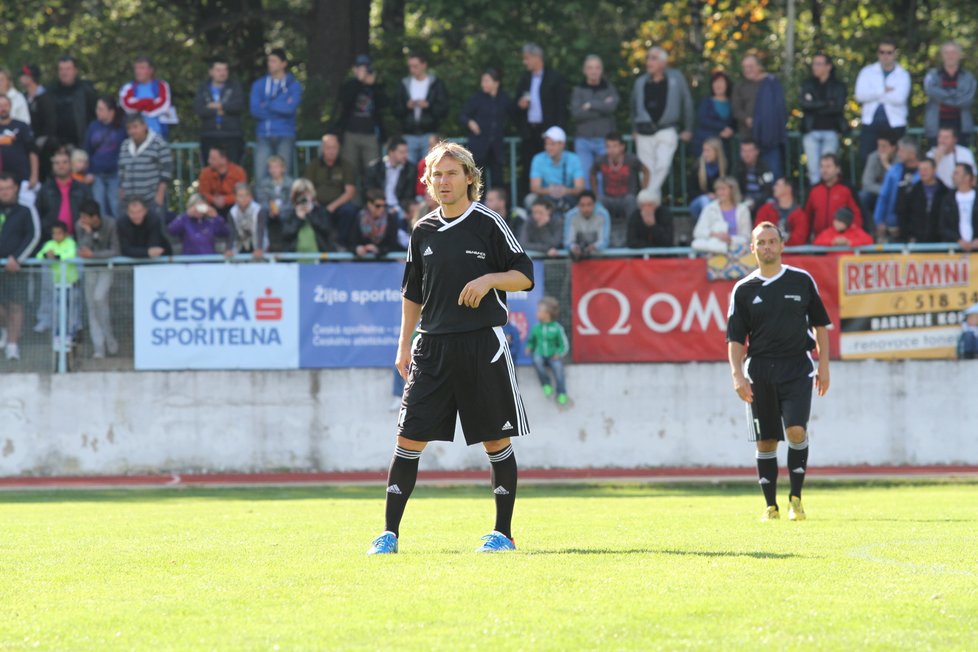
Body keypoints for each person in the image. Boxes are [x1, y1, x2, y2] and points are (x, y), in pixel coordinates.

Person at [366, 141, 533, 555]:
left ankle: (503, 534)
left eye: (451, 173)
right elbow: (412, 293)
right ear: (428, 181)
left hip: (482, 346)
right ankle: (388, 535)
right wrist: (403, 345)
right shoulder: (421, 230)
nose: (443, 181)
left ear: (469, 178)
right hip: (432, 349)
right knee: (407, 439)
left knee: (496, 442)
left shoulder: (489, 223)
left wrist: (490, 279)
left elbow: (524, 276)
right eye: (436, 174)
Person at [727, 221, 831, 522]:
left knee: (796, 430)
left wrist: (823, 366)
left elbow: (820, 325)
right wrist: (737, 375)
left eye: (772, 241)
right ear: (752, 248)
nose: (767, 247)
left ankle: (795, 499)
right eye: (761, 242)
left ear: (782, 245)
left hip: (798, 365)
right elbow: (735, 339)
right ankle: (770, 506)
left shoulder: (801, 280)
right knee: (767, 441)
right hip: (760, 369)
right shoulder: (743, 289)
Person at [630, 47, 694, 203]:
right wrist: (634, 129)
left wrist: (688, 128)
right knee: (645, 170)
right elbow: (632, 106)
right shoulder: (640, 82)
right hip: (644, 130)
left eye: (654, 58)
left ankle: (646, 198)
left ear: (663, 62)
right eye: (648, 58)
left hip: (667, 128)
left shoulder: (676, 78)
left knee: (663, 165)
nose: (649, 61)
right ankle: (651, 204)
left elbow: (687, 102)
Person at [513, 43, 567, 197]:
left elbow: (561, 107)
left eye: (527, 58)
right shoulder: (525, 79)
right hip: (530, 132)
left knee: (551, 165)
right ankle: (529, 202)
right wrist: (520, 104)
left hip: (549, 132)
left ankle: (554, 200)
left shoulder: (554, 77)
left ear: (537, 58)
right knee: (529, 167)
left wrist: (558, 131)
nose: (525, 62)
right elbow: (515, 105)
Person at [0, 172, 40, 361]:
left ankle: (13, 345)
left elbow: (34, 236)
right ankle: (5, 331)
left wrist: (17, 259)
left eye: (8, 188)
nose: (5, 192)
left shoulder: (26, 210)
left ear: (15, 188)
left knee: (16, 306)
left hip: (17, 269)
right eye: (1, 189)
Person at [854, 38, 911, 167]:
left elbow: (899, 98)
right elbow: (860, 95)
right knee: (867, 159)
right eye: (882, 52)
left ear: (895, 53)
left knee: (897, 160)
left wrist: (874, 93)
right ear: (878, 53)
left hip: (895, 124)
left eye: (889, 52)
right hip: (870, 124)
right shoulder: (867, 72)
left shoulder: (903, 74)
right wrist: (884, 90)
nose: (885, 56)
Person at [331, 55, 387, 182]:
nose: (360, 71)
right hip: (351, 134)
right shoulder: (349, 85)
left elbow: (384, 104)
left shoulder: (376, 86)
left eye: (363, 68)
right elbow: (345, 101)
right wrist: (359, 83)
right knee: (349, 171)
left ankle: (371, 200)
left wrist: (373, 86)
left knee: (372, 170)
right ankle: (352, 201)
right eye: (357, 68)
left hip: (370, 135)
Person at [249, 48, 302, 183]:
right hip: (264, 135)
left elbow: (290, 109)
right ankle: (263, 204)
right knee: (261, 175)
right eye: (269, 61)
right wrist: (281, 105)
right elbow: (255, 110)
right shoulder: (259, 85)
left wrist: (266, 104)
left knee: (284, 175)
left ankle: (284, 204)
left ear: (283, 64)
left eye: (274, 61)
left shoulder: (294, 86)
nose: (270, 64)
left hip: (285, 135)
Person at [75, 199, 119, 358]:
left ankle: (109, 338)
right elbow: (81, 249)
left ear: (95, 217)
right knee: (92, 307)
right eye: (81, 217)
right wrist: (87, 233)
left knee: (99, 298)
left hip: (106, 267)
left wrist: (94, 255)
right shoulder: (80, 225)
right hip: (89, 270)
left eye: (86, 217)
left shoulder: (110, 224)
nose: (82, 220)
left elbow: (115, 250)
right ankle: (98, 347)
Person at [734, 52, 787, 179]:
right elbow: (736, 109)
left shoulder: (771, 83)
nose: (747, 70)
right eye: (745, 67)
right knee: (750, 177)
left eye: (751, 66)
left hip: (770, 137)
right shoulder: (740, 86)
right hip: (749, 138)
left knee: (772, 174)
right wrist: (746, 119)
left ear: (759, 67)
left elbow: (780, 108)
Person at [570, 55, 619, 189]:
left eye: (597, 67)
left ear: (601, 70)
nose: (594, 71)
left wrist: (590, 105)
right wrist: (602, 106)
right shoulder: (578, 90)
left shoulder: (609, 88)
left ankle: (601, 208)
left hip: (604, 141)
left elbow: (612, 107)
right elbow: (577, 114)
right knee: (586, 176)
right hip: (583, 140)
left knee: (604, 177)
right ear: (584, 70)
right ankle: (588, 207)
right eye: (590, 68)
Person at [590, 131, 647, 246]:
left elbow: (646, 171)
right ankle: (600, 240)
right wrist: (595, 193)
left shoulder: (631, 159)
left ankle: (632, 238)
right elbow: (592, 173)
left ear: (622, 147)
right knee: (599, 202)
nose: (611, 150)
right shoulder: (601, 160)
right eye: (608, 146)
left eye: (615, 146)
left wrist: (643, 192)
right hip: (609, 198)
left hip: (626, 197)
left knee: (631, 201)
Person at [303, 134, 359, 249]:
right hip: (317, 204)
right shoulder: (313, 165)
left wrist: (332, 206)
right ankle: (320, 246)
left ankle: (341, 243)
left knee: (350, 211)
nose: (331, 151)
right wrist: (315, 203)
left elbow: (350, 192)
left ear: (339, 149)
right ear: (323, 149)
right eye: (328, 148)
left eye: (334, 148)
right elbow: (307, 188)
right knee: (309, 212)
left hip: (339, 204)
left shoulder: (346, 165)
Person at [799, 53, 848, 186]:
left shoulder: (838, 86)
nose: (815, 67)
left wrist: (815, 104)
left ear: (828, 67)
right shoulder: (808, 84)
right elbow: (804, 105)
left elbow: (838, 107)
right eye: (814, 64)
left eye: (819, 64)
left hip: (831, 132)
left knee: (829, 170)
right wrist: (826, 103)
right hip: (811, 131)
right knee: (814, 171)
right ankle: (816, 200)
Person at [393, 52, 449, 164]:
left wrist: (428, 106)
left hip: (430, 134)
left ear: (424, 65)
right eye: (410, 66)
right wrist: (406, 107)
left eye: (415, 66)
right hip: (409, 133)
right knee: (408, 169)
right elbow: (395, 109)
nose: (412, 69)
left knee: (430, 167)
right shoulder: (404, 83)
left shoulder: (436, 83)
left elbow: (444, 109)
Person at [459, 68, 510, 188]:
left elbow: (513, 114)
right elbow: (462, 115)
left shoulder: (503, 98)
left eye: (487, 81)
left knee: (498, 179)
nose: (483, 84)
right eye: (483, 81)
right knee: (479, 181)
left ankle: (498, 206)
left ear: (496, 83)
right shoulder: (477, 98)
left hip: (496, 147)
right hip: (479, 146)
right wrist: (470, 123)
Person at [35, 221, 80, 348]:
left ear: (65, 234)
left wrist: (56, 256)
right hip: (57, 284)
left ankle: (70, 334)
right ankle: (58, 334)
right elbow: (39, 256)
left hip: (70, 284)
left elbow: (70, 254)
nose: (56, 236)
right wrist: (46, 255)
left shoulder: (70, 243)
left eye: (59, 233)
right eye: (54, 233)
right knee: (57, 310)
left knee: (70, 310)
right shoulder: (49, 244)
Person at [193, 56, 245, 165]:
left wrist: (216, 106)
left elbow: (238, 106)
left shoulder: (235, 86)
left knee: (233, 171)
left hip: (232, 135)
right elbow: (199, 109)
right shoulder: (203, 88)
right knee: (210, 171)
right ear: (211, 72)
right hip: (209, 135)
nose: (223, 73)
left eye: (225, 70)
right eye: (218, 70)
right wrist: (221, 110)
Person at [117, 114, 172, 219]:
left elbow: (166, 171)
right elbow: (121, 170)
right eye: (129, 128)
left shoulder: (159, 143)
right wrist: (121, 192)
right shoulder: (125, 145)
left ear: (144, 126)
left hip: (151, 199)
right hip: (128, 200)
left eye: (135, 127)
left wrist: (159, 196)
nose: (132, 131)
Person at [83, 96, 127, 220]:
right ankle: (103, 237)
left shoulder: (122, 127)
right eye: (97, 109)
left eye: (101, 109)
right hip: (97, 174)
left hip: (115, 174)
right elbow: (88, 150)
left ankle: (119, 237)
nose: (97, 112)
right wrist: (89, 171)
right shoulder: (93, 126)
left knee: (116, 206)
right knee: (99, 207)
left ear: (111, 111)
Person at [923, 41, 976, 142]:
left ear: (959, 55)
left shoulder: (968, 77)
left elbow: (967, 100)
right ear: (942, 55)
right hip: (936, 126)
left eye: (953, 52)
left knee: (961, 157)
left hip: (961, 127)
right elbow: (931, 92)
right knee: (936, 157)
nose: (950, 56)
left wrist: (943, 96)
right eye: (946, 52)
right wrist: (956, 95)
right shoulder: (932, 75)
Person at [35, 150, 93, 240]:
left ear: (71, 164)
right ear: (52, 166)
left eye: (64, 162)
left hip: (78, 240)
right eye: (57, 163)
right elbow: (37, 215)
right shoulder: (45, 189)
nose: (61, 166)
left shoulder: (83, 189)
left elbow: (91, 212)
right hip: (51, 241)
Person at [803, 153, 863, 239]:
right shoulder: (813, 190)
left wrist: (852, 237)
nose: (824, 170)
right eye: (822, 166)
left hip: (842, 242)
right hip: (819, 242)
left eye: (828, 166)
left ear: (837, 169)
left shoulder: (847, 189)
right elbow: (806, 218)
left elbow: (857, 216)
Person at [527, 126, 584, 213]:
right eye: (546, 144)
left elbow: (580, 187)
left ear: (562, 144)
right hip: (545, 197)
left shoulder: (574, 159)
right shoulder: (538, 159)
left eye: (552, 144)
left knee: (584, 201)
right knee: (530, 199)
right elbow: (534, 187)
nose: (548, 147)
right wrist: (550, 190)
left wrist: (566, 191)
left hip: (568, 197)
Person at [874, 136, 920, 242]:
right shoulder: (894, 171)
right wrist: (879, 221)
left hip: (917, 226)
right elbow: (883, 197)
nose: (898, 153)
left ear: (912, 153)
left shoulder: (924, 172)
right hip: (894, 225)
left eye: (902, 150)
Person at [526, 297, 570, 405]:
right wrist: (529, 347)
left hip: (553, 356)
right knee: (536, 360)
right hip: (540, 354)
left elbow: (564, 345)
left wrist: (558, 353)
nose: (537, 313)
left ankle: (562, 392)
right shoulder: (536, 328)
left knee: (558, 368)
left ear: (547, 313)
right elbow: (531, 341)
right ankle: (546, 384)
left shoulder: (557, 328)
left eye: (539, 310)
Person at [48, 56, 97, 150]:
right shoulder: (51, 91)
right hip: (58, 147)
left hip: (82, 144)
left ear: (75, 71)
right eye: (61, 69)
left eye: (68, 69)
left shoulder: (86, 90)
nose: (64, 73)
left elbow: (94, 116)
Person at [691, 176, 752, 253]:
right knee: (696, 244)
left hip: (736, 248)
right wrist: (714, 234)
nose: (720, 192)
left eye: (723, 189)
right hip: (714, 247)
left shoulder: (743, 210)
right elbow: (697, 232)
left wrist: (730, 239)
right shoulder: (710, 208)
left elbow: (746, 237)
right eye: (718, 189)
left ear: (732, 190)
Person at [118, 56, 175, 138]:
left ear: (151, 70)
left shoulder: (161, 86)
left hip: (158, 135)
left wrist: (138, 104)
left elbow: (163, 105)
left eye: (142, 68)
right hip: (134, 138)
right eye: (136, 68)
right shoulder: (128, 88)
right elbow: (126, 105)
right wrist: (150, 102)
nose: (138, 71)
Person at [17, 64, 56, 180]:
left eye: (23, 76)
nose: (21, 78)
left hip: (44, 148)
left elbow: (51, 122)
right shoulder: (23, 97)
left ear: (31, 77)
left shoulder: (46, 97)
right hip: (28, 146)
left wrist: (42, 140)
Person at [897, 158, 948, 244]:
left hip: (939, 241)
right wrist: (908, 236)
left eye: (926, 169)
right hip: (915, 241)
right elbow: (903, 215)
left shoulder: (945, 192)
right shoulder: (912, 191)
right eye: (920, 170)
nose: (923, 173)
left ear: (934, 170)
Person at [281, 178, 337, 253]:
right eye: (299, 194)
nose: (302, 197)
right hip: (294, 260)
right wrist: (298, 218)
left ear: (312, 194)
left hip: (320, 259)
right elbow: (286, 235)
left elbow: (327, 231)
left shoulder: (320, 211)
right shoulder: (289, 212)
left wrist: (310, 214)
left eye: (306, 193)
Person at [365, 136, 415, 217]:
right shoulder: (375, 167)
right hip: (379, 205)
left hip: (400, 207)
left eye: (406, 152)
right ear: (391, 152)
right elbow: (370, 191)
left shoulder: (410, 169)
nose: (405, 155)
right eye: (402, 152)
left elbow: (409, 195)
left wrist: (399, 208)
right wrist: (382, 206)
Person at [858, 132, 896, 234]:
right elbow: (866, 183)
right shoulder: (873, 157)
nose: (880, 149)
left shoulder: (899, 158)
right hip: (878, 193)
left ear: (893, 148)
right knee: (863, 196)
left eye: (884, 146)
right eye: (879, 145)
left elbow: (898, 182)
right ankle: (867, 231)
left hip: (895, 195)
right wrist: (885, 191)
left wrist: (886, 164)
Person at [692, 70, 735, 158]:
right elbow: (703, 120)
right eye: (715, 82)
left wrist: (731, 131)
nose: (718, 85)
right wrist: (723, 128)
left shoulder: (732, 103)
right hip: (704, 144)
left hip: (723, 148)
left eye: (721, 82)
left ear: (727, 84)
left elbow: (734, 123)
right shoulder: (706, 101)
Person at [754, 178, 809, 246]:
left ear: (788, 188)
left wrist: (772, 239)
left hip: (792, 255)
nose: (774, 188)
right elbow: (759, 230)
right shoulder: (766, 210)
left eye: (777, 185)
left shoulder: (800, 214)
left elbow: (799, 238)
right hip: (770, 255)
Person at [254, 155, 293, 252]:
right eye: (271, 167)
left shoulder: (291, 183)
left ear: (283, 169)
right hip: (269, 212)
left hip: (286, 211)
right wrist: (271, 209)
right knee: (261, 214)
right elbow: (261, 200)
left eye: (276, 167)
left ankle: (288, 248)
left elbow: (292, 202)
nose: (273, 170)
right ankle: (263, 247)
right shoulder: (263, 183)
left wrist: (279, 210)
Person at [0, 95, 39, 189]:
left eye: (5, 105)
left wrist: (34, 175)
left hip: (22, 176)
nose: (3, 108)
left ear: (10, 106)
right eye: (0, 105)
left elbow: (33, 152)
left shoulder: (22, 126)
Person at [197, 146, 247, 216]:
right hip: (211, 205)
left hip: (234, 205)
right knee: (199, 204)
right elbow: (202, 193)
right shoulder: (205, 173)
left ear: (223, 160)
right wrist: (214, 199)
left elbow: (243, 193)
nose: (209, 161)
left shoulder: (238, 172)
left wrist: (225, 200)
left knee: (244, 202)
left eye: (213, 159)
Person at [350, 189, 401, 258]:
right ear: (369, 204)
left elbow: (392, 244)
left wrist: (378, 249)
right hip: (362, 262)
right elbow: (351, 242)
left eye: (384, 206)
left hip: (384, 262)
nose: (381, 209)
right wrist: (357, 248)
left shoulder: (390, 218)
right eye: (378, 206)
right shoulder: (359, 217)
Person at [938, 163, 978, 249]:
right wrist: (957, 240)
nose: (953, 176)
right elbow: (943, 225)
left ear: (967, 177)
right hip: (955, 251)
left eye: (956, 173)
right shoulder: (948, 199)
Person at [688, 137, 728, 221]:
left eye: (708, 150)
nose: (705, 153)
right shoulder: (697, 166)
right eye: (704, 150)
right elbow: (691, 191)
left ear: (716, 152)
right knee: (705, 200)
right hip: (699, 203)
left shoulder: (725, 166)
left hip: (720, 201)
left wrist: (717, 195)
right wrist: (707, 195)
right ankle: (710, 225)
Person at [563, 191, 610, 260]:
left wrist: (594, 247)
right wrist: (574, 248)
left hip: (598, 256)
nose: (586, 209)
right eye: (582, 205)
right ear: (578, 205)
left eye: (589, 205)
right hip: (577, 258)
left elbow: (604, 240)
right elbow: (568, 242)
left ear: (594, 205)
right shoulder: (571, 216)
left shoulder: (603, 215)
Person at [734, 139, 774, 215]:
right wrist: (744, 199)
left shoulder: (764, 167)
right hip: (743, 201)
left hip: (761, 201)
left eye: (750, 151)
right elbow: (735, 188)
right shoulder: (737, 167)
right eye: (744, 151)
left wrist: (755, 201)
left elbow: (768, 189)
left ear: (757, 151)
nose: (746, 154)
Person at [227, 183, 267, 258]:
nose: (244, 198)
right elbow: (232, 232)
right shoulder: (232, 212)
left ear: (251, 197)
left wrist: (259, 248)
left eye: (247, 195)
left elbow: (260, 230)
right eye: (241, 196)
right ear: (235, 197)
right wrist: (229, 249)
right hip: (240, 245)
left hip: (258, 244)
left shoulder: (258, 210)